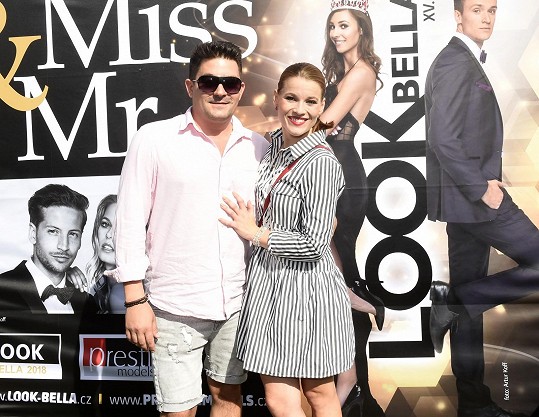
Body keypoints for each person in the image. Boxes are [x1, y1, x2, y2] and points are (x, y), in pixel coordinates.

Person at [108, 41, 269, 417]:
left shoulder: (259, 147)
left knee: (229, 398)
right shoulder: (154, 139)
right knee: (177, 411)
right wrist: (134, 299)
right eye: (209, 81)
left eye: (230, 83)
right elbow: (129, 220)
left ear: (241, 89)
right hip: (173, 306)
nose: (220, 91)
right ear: (190, 86)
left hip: (239, 303)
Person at [219, 62, 355, 417]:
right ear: (276, 99)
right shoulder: (272, 146)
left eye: (310, 101)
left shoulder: (321, 163)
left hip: (307, 291)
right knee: (281, 399)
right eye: (291, 98)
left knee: (319, 393)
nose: (299, 109)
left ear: (322, 106)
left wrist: (256, 233)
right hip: (268, 287)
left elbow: (314, 244)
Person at [425, 1, 539, 416]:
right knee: (471, 300)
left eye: (492, 9)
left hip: (465, 202)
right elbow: (442, 137)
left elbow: (462, 133)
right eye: (477, 9)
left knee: (468, 314)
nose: (487, 17)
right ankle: (456, 300)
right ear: (458, 15)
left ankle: (473, 403)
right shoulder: (455, 61)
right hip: (474, 200)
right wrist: (481, 188)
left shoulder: (461, 59)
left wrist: (485, 180)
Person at [320, 0, 385, 415]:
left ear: (361, 28)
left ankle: (353, 385)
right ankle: (354, 385)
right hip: (331, 172)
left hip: (344, 176)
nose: (337, 33)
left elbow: (325, 123)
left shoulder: (362, 72)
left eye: (344, 25)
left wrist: (283, 127)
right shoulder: (340, 73)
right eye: (332, 27)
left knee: (334, 265)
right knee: (335, 270)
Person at [0, 184, 96, 314]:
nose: (64, 246)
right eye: (53, 231)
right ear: (33, 234)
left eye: (73, 234)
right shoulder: (3, 290)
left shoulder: (88, 302)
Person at [86, 194, 124, 314]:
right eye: (105, 224)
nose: (109, 234)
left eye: (119, 229)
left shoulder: (121, 293)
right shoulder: (103, 284)